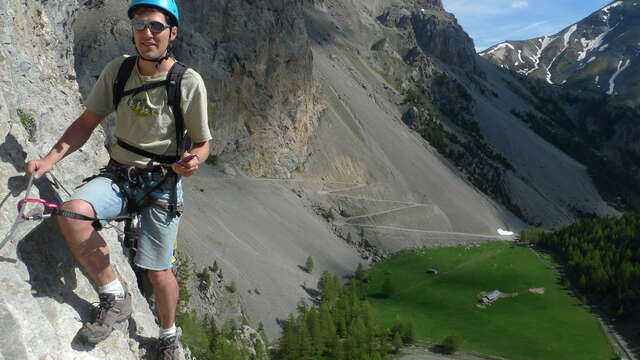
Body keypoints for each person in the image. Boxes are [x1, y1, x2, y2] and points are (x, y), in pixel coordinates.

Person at [25, 0, 211, 358]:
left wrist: (194, 161)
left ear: (172, 32)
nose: (147, 33)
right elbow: (86, 123)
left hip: (163, 183)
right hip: (121, 176)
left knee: (157, 272)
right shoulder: (120, 71)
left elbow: (203, 144)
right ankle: (114, 296)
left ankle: (168, 335)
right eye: (140, 25)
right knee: (71, 214)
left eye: (156, 26)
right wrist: (48, 161)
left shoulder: (187, 82)